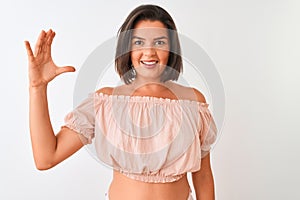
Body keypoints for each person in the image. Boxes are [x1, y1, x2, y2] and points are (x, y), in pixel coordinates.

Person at [25, 4, 217, 200]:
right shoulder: (106, 102)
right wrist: (37, 88)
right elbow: (46, 158)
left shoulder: (193, 102)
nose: (149, 52)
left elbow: (202, 176)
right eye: (139, 42)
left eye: (159, 43)